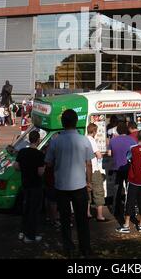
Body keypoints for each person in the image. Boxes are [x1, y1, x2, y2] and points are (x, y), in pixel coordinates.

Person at [45, 109, 94, 257]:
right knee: (82, 220)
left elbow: (48, 163)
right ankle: (85, 248)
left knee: (65, 220)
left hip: (61, 186)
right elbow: (89, 164)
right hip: (80, 186)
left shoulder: (55, 141)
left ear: (62, 123)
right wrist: (89, 182)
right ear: (76, 122)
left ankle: (69, 249)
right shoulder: (84, 140)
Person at [116, 130, 141, 233]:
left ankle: (126, 225)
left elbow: (128, 158)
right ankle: (140, 225)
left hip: (134, 179)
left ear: (137, 138)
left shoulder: (133, 149)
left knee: (130, 202)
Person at [14, 130, 45, 243]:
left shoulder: (22, 152)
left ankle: (22, 232)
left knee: (26, 209)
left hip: (25, 183)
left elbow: (16, 166)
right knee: (34, 211)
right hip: (36, 185)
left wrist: (25, 169)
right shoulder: (39, 154)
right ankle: (30, 236)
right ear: (38, 140)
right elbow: (40, 172)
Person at [108, 120, 135, 219]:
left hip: (117, 168)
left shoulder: (113, 140)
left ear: (118, 131)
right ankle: (130, 211)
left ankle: (115, 210)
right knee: (130, 190)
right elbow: (134, 154)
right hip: (128, 167)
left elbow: (109, 154)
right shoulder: (132, 140)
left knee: (117, 190)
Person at [86, 123, 107, 222]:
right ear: (94, 131)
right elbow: (98, 155)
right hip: (93, 170)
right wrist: (101, 155)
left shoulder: (83, 139)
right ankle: (99, 215)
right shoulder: (91, 140)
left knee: (87, 192)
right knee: (98, 191)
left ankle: (88, 213)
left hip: (84, 171)